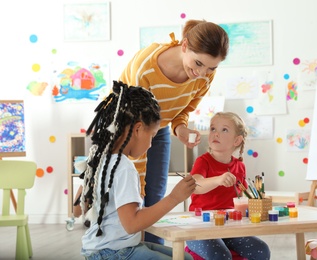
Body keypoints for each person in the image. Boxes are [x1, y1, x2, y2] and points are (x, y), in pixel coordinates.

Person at [119, 19, 229, 244]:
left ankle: (152, 248)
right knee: (131, 194)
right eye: (198, 64)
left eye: (211, 67)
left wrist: (179, 126)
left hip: (156, 127)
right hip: (126, 126)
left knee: (155, 194)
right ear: (185, 45)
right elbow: (137, 131)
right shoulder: (146, 69)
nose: (202, 73)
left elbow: (184, 108)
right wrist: (138, 187)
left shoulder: (205, 74)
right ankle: (122, 249)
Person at [79, 80, 196, 260]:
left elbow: (78, 208)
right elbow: (132, 224)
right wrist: (174, 198)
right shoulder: (124, 167)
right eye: (153, 137)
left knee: (184, 257)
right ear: (138, 129)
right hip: (114, 253)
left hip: (100, 250)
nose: (150, 145)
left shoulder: (99, 158)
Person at [186, 112, 271, 260]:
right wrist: (218, 180)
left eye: (224, 130)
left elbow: (242, 198)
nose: (216, 134)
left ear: (237, 140)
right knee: (220, 255)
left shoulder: (240, 166)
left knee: (261, 250)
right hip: (200, 227)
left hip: (229, 226)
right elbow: (196, 185)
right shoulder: (203, 161)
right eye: (213, 129)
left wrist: (256, 203)